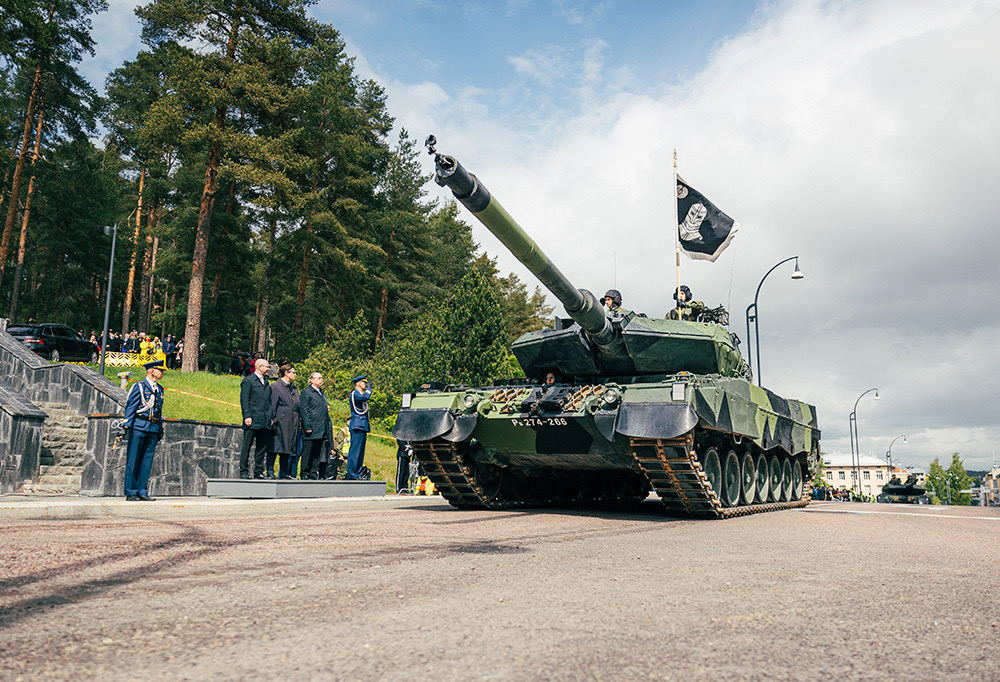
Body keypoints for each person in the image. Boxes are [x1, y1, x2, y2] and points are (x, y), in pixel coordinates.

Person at [122, 359, 166, 501]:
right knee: (133, 459)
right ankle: (131, 491)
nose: (163, 373)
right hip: (139, 426)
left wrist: (159, 428)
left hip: (152, 428)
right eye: (160, 370)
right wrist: (126, 425)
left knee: (147, 461)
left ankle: (142, 491)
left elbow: (158, 410)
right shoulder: (139, 387)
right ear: (152, 371)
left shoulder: (160, 389)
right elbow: (131, 406)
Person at [239, 358, 273, 479]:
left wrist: (270, 416)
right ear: (260, 367)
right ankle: (243, 471)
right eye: (267, 367)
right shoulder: (249, 381)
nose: (268, 369)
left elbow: (268, 401)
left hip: (264, 420)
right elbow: (245, 399)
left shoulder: (266, 382)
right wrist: (247, 416)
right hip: (253, 418)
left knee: (261, 447)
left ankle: (258, 471)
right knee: (247, 446)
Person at [268, 363, 301, 480]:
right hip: (280, 422)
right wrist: (272, 419)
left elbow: (297, 404)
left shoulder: (294, 388)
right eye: (293, 372)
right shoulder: (276, 386)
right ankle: (270, 471)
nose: (295, 374)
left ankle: (284, 472)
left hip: (292, 423)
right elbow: (272, 404)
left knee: (287, 448)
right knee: (275, 446)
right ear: (286, 373)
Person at [300, 371, 334, 480]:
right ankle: (304, 472)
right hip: (312, 427)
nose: (321, 380)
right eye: (319, 378)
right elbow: (304, 410)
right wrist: (307, 426)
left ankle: (313, 472)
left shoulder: (321, 393)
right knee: (308, 451)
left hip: (321, 428)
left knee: (317, 452)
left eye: (321, 378)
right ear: (312, 380)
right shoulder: (306, 392)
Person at [346, 374, 373, 480]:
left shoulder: (359, 394)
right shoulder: (355, 394)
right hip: (357, 425)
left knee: (360, 452)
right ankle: (352, 473)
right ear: (359, 383)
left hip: (362, 425)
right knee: (355, 451)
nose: (366, 385)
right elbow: (365, 397)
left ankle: (357, 472)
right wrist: (369, 389)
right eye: (364, 383)